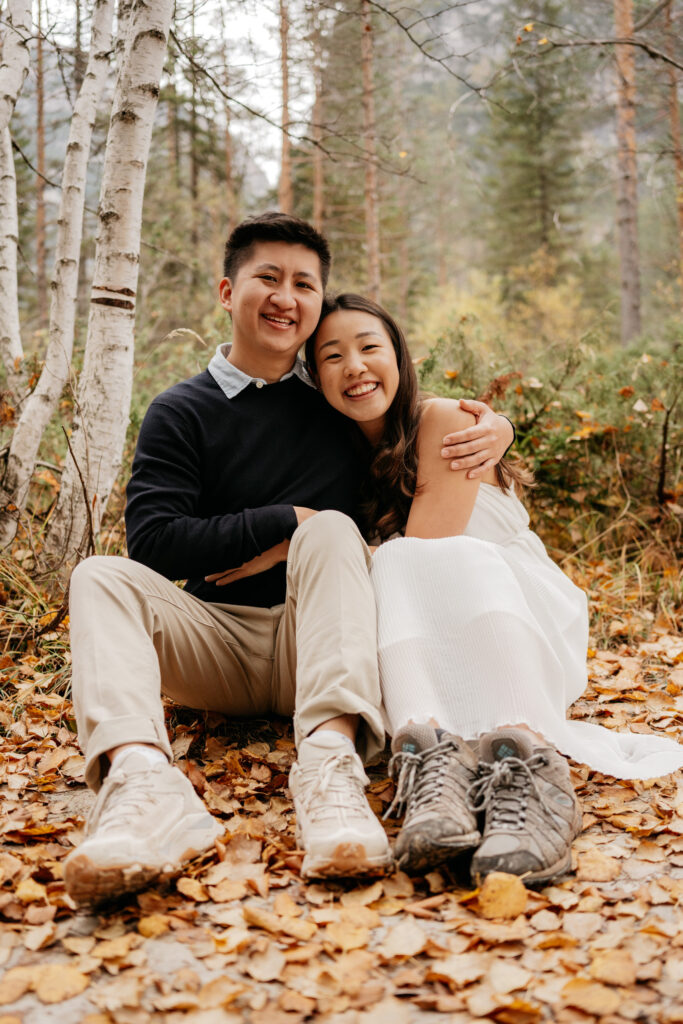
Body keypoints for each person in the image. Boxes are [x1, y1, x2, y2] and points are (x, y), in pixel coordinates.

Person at [63, 213, 515, 902]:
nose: (286, 296)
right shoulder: (180, 412)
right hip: (215, 643)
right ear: (226, 290)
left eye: (304, 283)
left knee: (332, 530)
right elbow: (153, 542)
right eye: (267, 278)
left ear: (316, 304)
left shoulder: (334, 402)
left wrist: (495, 427)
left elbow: (408, 424)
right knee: (98, 575)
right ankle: (141, 784)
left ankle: (331, 768)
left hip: (322, 644)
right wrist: (283, 520)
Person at [306, 293, 683, 885]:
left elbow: (428, 551)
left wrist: (302, 536)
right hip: (430, 630)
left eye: (369, 347)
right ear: (315, 376)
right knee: (391, 566)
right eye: (331, 356)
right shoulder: (340, 454)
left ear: (400, 357)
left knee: (404, 560)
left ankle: (527, 763)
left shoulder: (447, 421)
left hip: (515, 614)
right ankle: (435, 766)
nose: (353, 365)